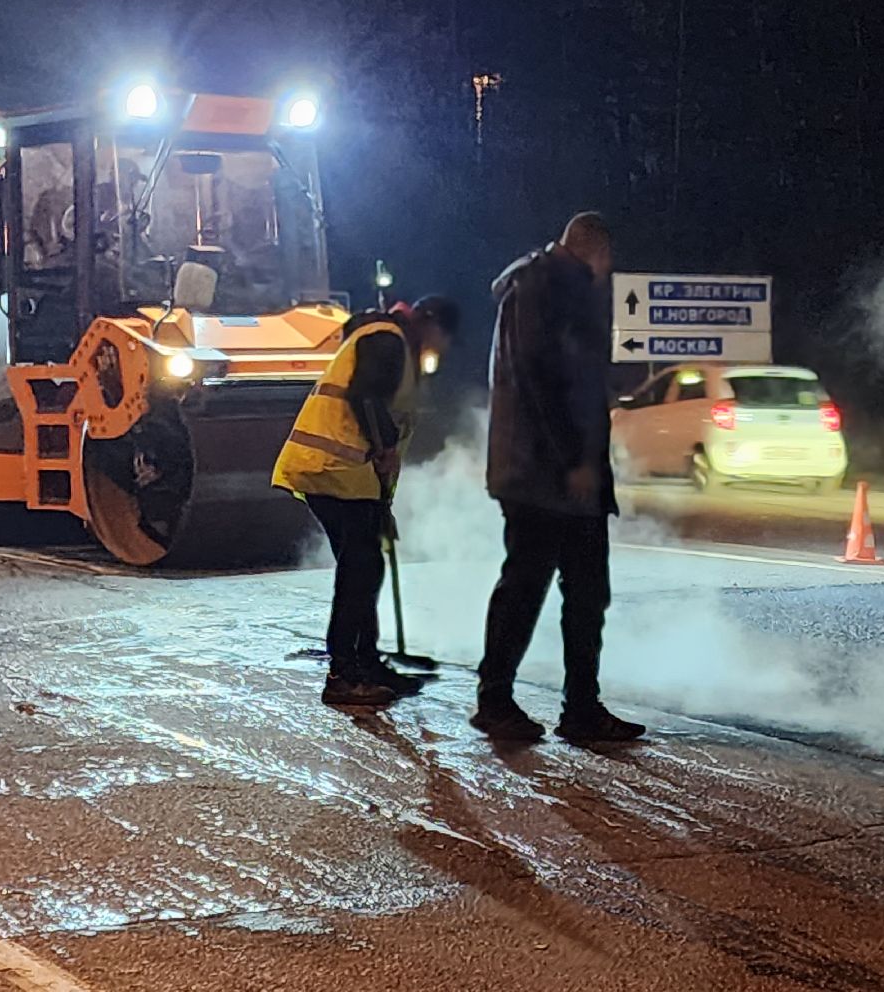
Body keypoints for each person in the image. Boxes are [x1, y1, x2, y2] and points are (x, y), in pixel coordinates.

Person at [473, 212, 646, 743]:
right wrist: (575, 458)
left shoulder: (536, 285)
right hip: (545, 474)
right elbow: (547, 380)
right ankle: (497, 702)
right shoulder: (550, 285)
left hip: (549, 471)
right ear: (594, 250)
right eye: (608, 261)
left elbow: (570, 378)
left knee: (583, 590)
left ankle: (580, 708)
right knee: (530, 588)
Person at [273, 295, 460, 706]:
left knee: (365, 566)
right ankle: (344, 674)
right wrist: (385, 446)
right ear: (428, 323)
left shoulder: (391, 342)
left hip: (345, 476)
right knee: (360, 569)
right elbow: (367, 398)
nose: (441, 349)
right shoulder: (386, 340)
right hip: (334, 469)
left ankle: (365, 663)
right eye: (443, 338)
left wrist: (382, 503)